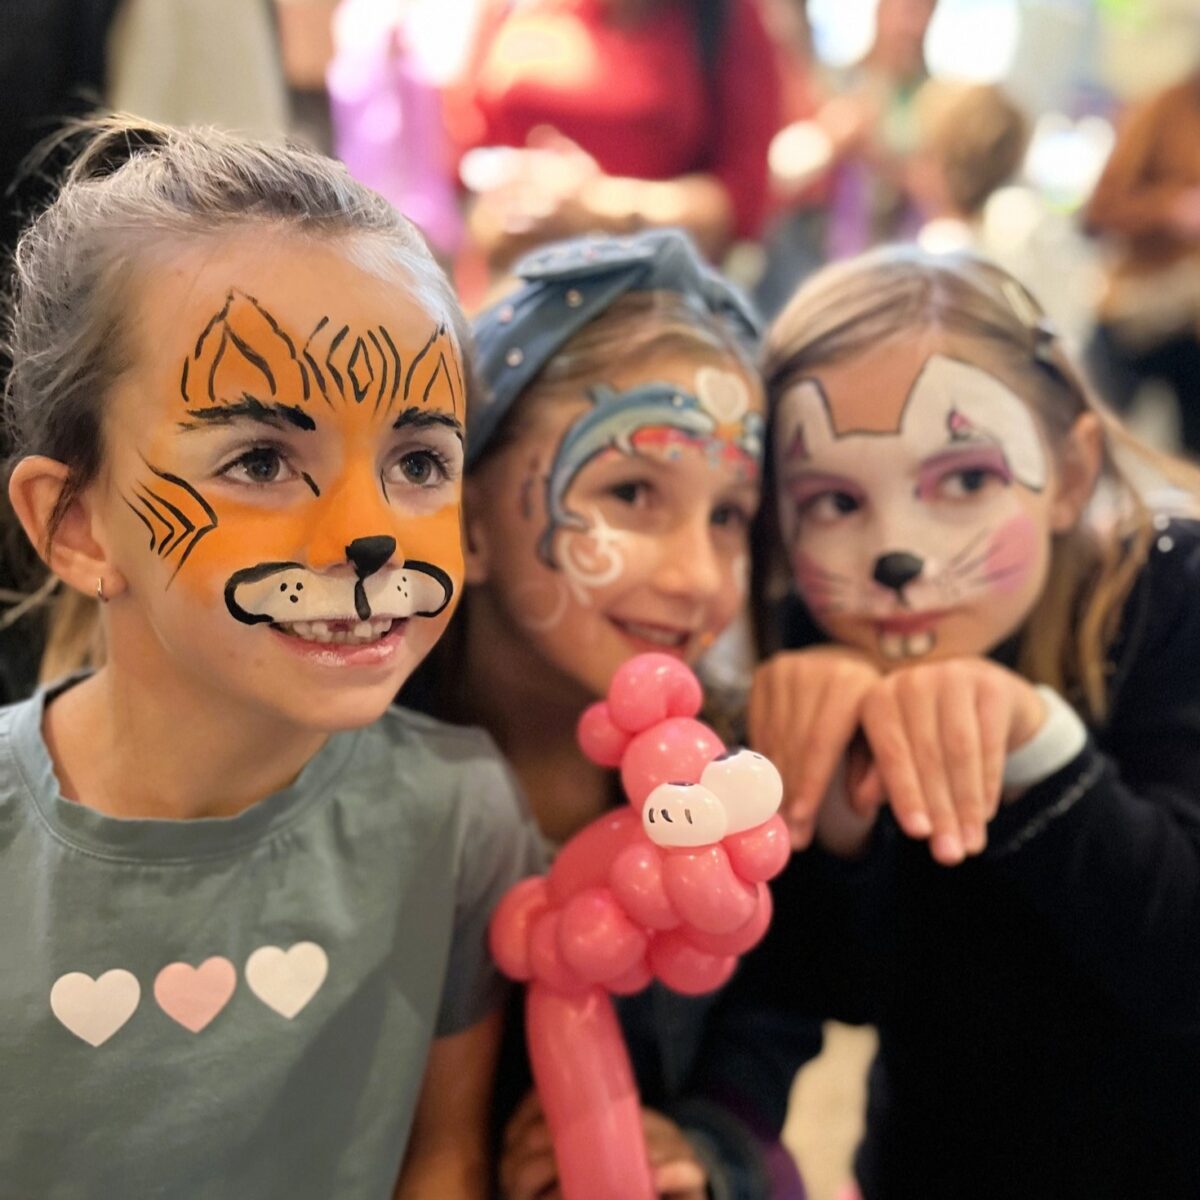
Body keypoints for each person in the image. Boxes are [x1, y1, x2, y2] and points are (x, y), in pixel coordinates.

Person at [0, 116, 541, 1199]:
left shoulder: (459, 817)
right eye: (260, 457)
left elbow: (443, 1159)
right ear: (76, 526)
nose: (367, 534)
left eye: (420, 459)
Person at [742, 246, 1200, 1198]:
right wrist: (832, 830)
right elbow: (840, 992)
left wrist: (1043, 752)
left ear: (1070, 473)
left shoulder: (1170, 595)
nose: (895, 553)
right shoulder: (809, 644)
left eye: (964, 480)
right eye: (833, 501)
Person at [403, 229, 818, 1199]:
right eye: (633, 491)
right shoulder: (356, 766)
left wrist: (702, 1145)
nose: (698, 579)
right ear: (465, 519)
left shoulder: (740, 773)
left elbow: (773, 1016)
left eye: (729, 516)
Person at [444, 0, 782, 273]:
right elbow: (460, 159)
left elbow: (743, 200)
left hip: (642, 305)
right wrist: (501, 211)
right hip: (504, 295)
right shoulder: (508, 9)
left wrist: (602, 207)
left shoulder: (722, 16)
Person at [1084, 66, 1200, 456]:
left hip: (1192, 329)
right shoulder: (1168, 108)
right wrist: (1170, 208)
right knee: (1094, 436)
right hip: (1138, 316)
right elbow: (1099, 211)